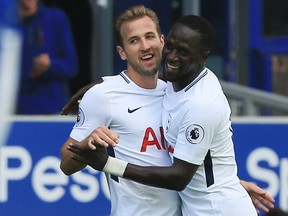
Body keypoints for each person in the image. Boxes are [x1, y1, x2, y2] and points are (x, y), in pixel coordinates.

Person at [61, 5, 274, 215]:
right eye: (134, 41)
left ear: (161, 41)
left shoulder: (181, 92)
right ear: (122, 52)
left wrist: (227, 186)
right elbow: (66, 165)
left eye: (149, 36)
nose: (145, 46)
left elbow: (181, 173)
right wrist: (87, 141)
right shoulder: (103, 96)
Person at [16, 0, 78, 114]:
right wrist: (29, 72)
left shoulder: (56, 18)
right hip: (15, 109)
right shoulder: (7, 24)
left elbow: (71, 66)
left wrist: (50, 65)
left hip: (53, 107)